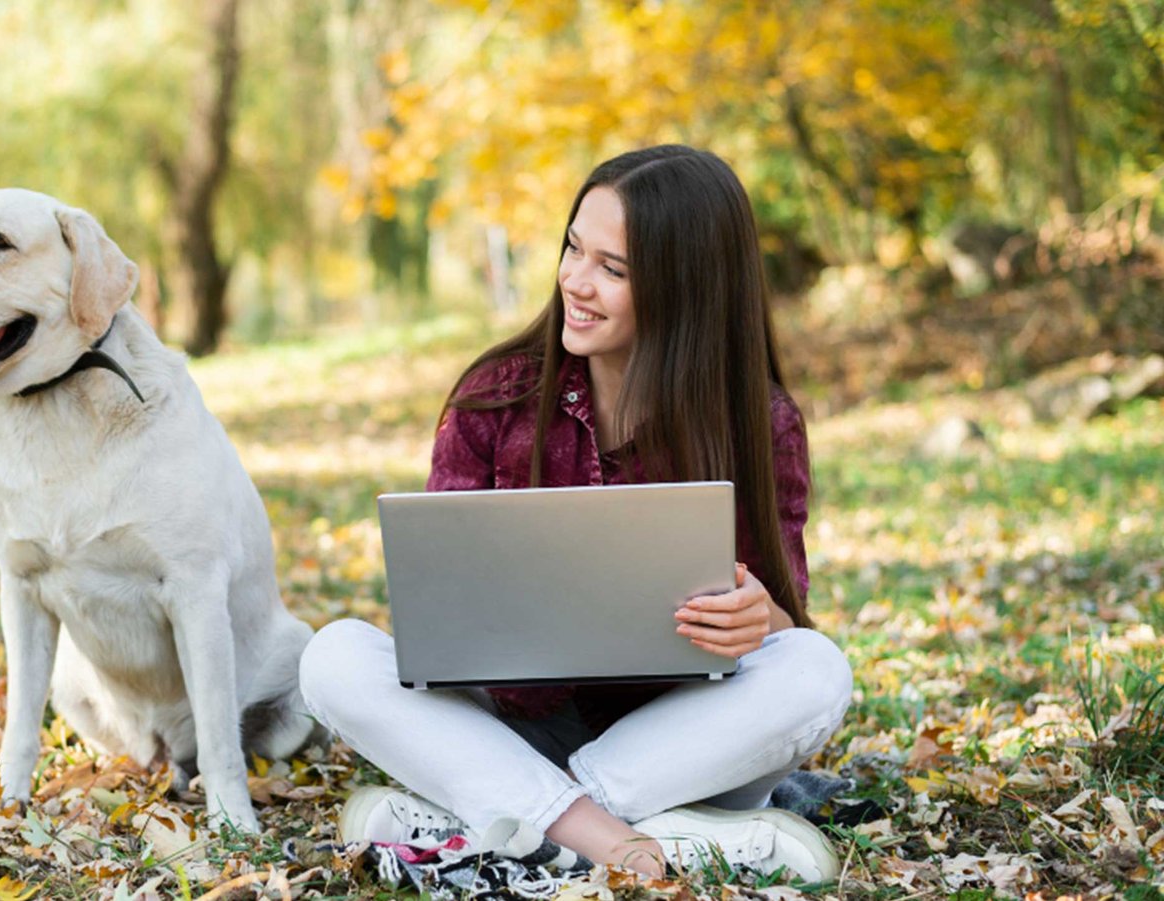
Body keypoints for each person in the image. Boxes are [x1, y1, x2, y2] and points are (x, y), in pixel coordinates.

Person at [298, 146, 854, 881]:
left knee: (817, 670)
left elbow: (786, 628)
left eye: (613, 269)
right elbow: (437, 615)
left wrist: (764, 618)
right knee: (331, 655)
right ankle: (633, 843)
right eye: (572, 248)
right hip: (510, 727)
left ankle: (481, 824)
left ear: (686, 288)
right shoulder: (496, 395)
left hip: (679, 748)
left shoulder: (760, 422)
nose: (575, 282)